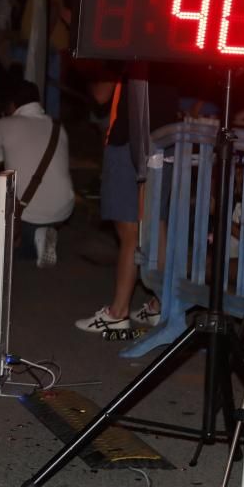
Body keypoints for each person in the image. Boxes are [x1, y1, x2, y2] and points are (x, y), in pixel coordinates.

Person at [75, 63, 178, 334]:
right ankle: (162, 306)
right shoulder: (168, 39)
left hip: (128, 139)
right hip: (166, 137)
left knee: (129, 229)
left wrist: (87, 68)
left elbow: (101, 94)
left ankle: (118, 312)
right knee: (157, 223)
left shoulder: (125, 40)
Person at [0, 79, 73, 267]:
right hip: (63, 209)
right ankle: (44, 233)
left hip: (27, 212)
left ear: (12, 104)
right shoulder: (58, 126)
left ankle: (27, 243)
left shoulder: (4, 124)